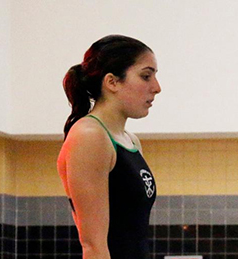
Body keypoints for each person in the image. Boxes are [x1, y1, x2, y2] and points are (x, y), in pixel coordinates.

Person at [57, 35, 161, 259]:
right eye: (146, 76)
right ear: (112, 82)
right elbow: (94, 246)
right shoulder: (90, 136)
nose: (157, 88)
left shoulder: (130, 141)